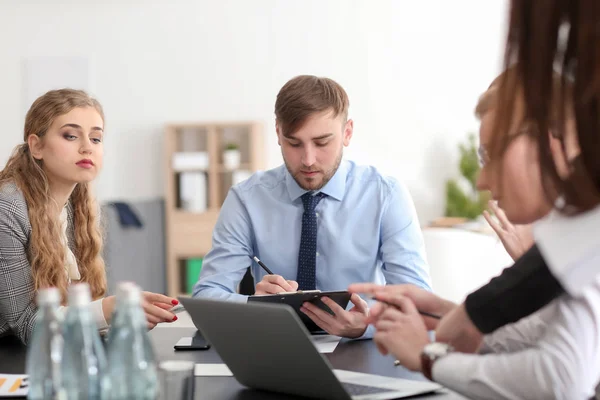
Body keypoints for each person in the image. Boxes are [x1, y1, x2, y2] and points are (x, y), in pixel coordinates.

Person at [351, 58, 600, 399]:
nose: (482, 179)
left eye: (492, 155)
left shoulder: (586, 232)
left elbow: (562, 380)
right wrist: (442, 313)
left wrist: (429, 358)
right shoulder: (575, 225)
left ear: (549, 142)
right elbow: (544, 331)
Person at [193, 75, 431, 338]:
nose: (308, 160)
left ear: (347, 133)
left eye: (322, 142)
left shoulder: (385, 195)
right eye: (294, 143)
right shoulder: (247, 199)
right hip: (276, 345)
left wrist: (367, 323)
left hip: (360, 349)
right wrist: (254, 307)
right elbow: (206, 296)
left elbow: (417, 302)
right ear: (278, 134)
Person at [0, 89, 178, 345]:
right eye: (70, 136)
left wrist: (122, 315)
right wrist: (107, 310)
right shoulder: (7, 207)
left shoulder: (75, 205)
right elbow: (27, 326)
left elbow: (66, 313)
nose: (87, 148)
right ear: (36, 146)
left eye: (96, 139)